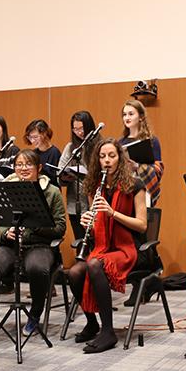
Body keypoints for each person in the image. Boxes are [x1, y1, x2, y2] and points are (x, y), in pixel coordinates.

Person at [0, 149, 67, 349]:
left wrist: (37, 223)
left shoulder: (51, 191)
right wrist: (5, 234)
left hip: (39, 244)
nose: (23, 169)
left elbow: (60, 228)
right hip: (10, 245)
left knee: (36, 268)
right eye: (19, 165)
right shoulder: (3, 189)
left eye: (28, 164)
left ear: (39, 168)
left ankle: (34, 315)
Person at [68, 138, 148, 353]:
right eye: (102, 156)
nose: (106, 160)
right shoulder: (95, 186)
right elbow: (98, 229)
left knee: (94, 265)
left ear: (120, 158)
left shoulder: (135, 185)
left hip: (129, 248)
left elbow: (141, 225)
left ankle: (108, 331)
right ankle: (92, 322)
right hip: (103, 248)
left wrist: (113, 213)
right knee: (75, 272)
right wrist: (89, 221)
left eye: (111, 155)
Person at [58, 111, 98, 240]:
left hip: (97, 203)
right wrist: (64, 177)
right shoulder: (70, 148)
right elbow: (60, 172)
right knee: (80, 242)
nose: (79, 132)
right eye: (75, 129)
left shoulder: (101, 145)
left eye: (82, 128)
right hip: (75, 204)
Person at [120, 99, 163, 207]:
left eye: (131, 114)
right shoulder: (120, 142)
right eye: (124, 114)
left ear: (141, 117)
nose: (127, 118)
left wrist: (137, 166)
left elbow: (158, 169)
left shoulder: (152, 141)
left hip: (144, 187)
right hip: (125, 187)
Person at [24, 119, 61, 186]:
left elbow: (53, 177)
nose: (32, 141)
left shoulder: (54, 152)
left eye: (35, 137)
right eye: (30, 137)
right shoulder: (34, 153)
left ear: (44, 133)